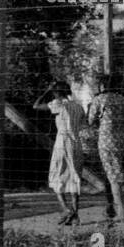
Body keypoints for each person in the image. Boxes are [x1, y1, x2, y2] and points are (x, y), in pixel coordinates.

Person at [33, 80, 86, 226]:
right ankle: (75, 215)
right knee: (74, 176)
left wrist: (46, 91)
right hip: (76, 143)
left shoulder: (58, 104)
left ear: (56, 92)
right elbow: (83, 124)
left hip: (62, 142)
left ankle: (66, 209)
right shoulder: (78, 107)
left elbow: (36, 106)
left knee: (57, 174)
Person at [87, 73, 124, 223]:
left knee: (113, 177)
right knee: (116, 172)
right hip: (121, 139)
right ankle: (114, 207)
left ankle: (121, 212)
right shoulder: (122, 98)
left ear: (102, 85)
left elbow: (90, 120)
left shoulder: (99, 99)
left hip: (106, 140)